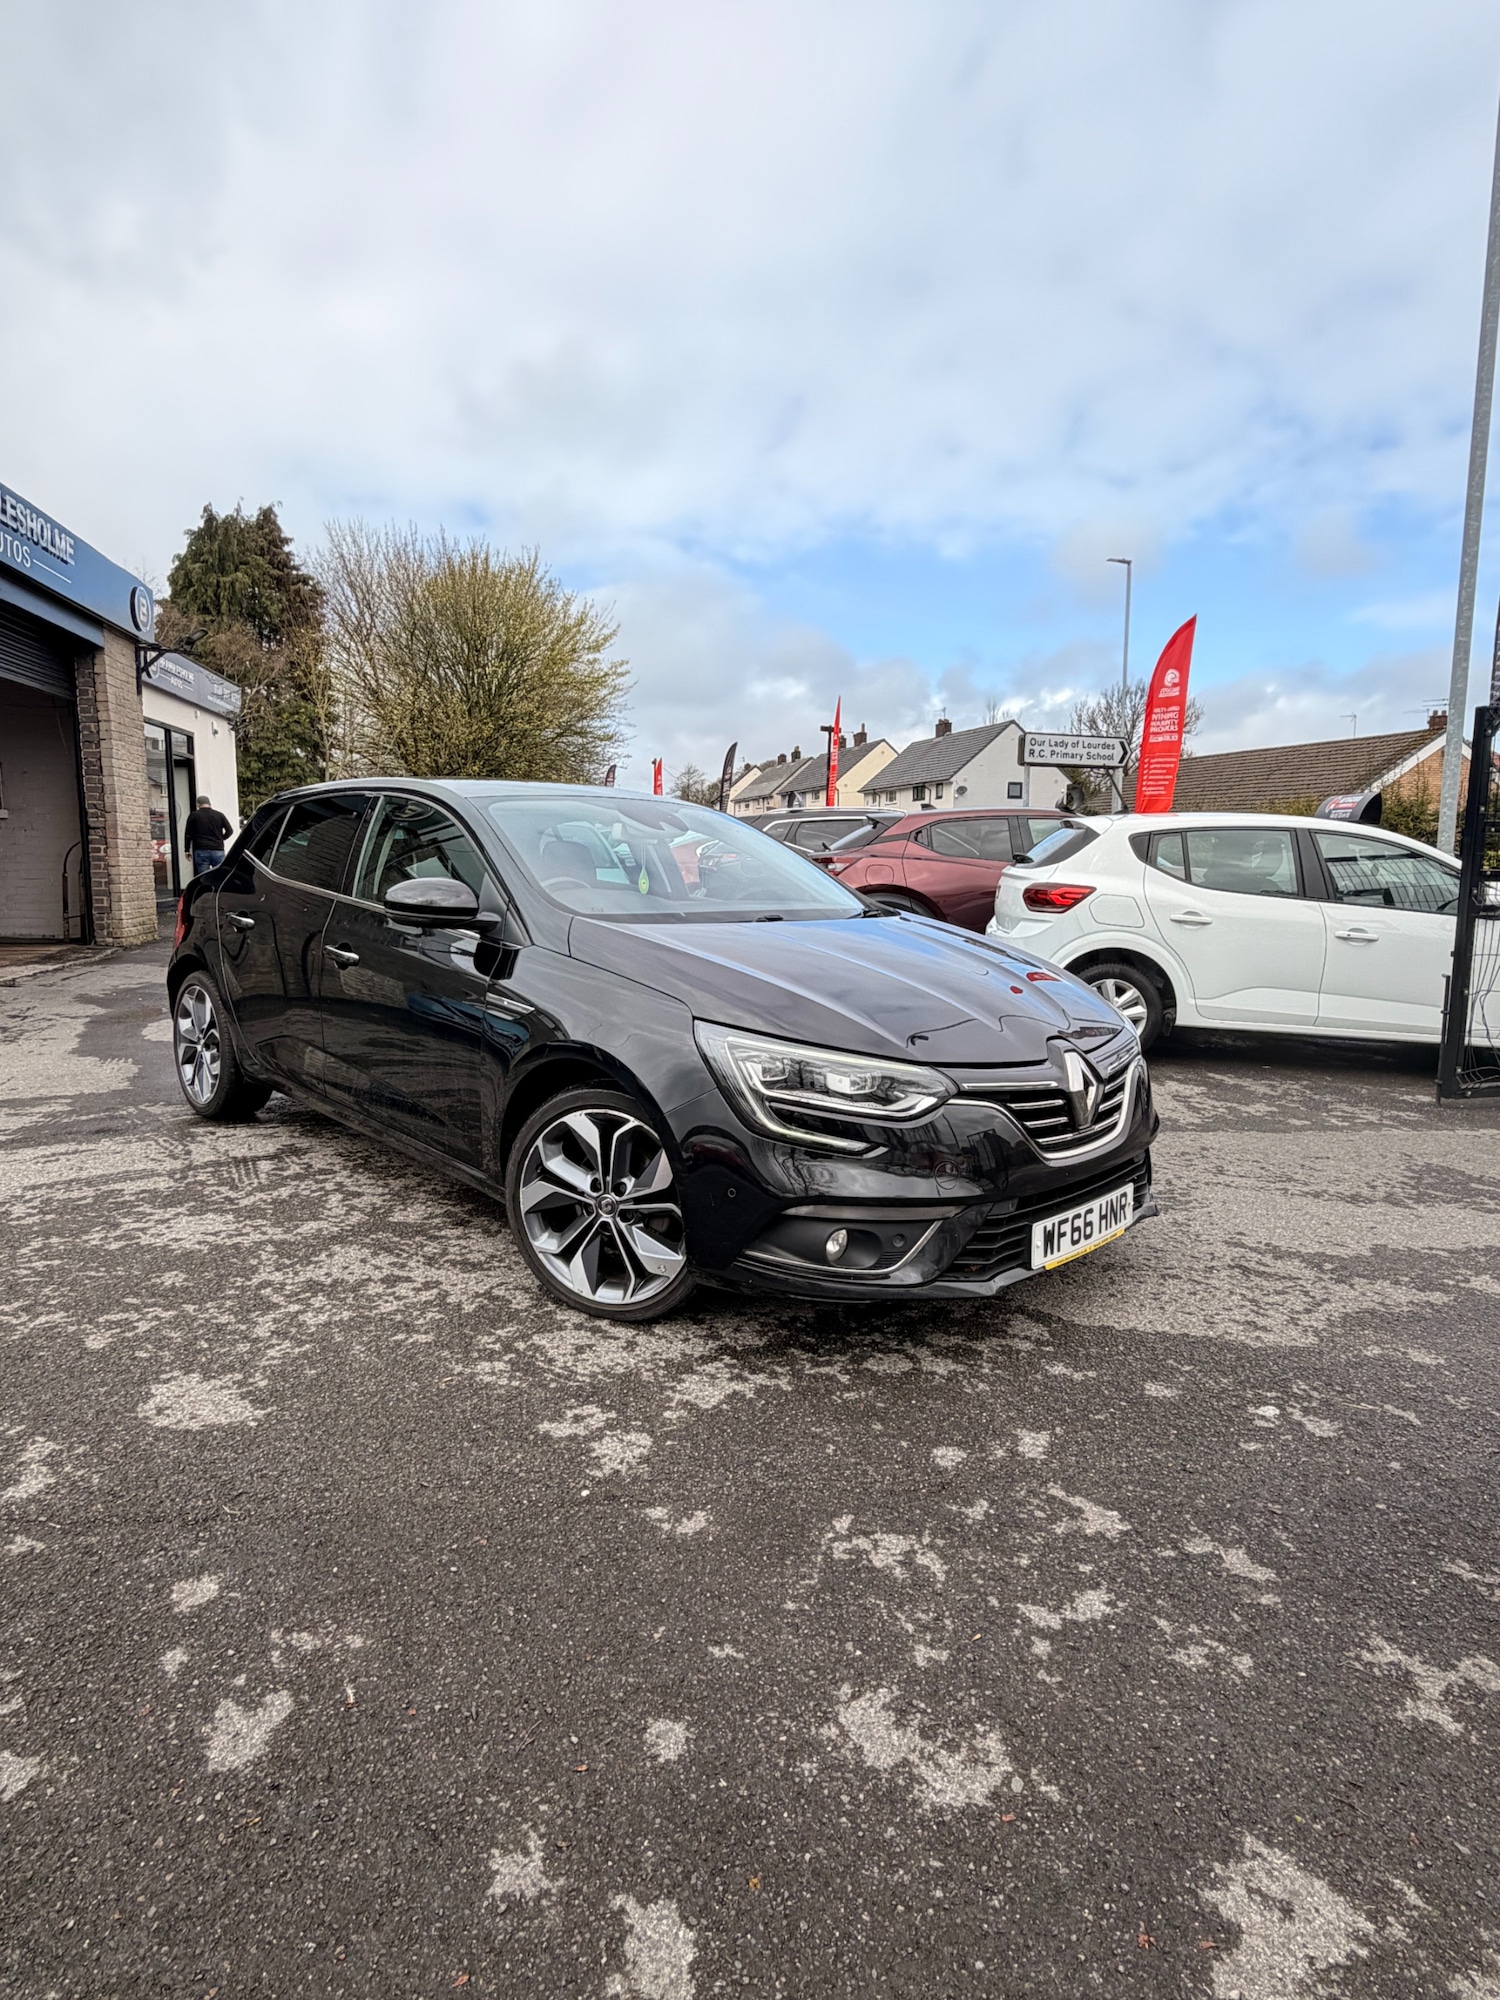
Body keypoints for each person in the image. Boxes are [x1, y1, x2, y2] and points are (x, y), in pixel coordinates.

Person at [184, 796, 234, 876]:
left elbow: (188, 834)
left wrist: (187, 849)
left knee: (204, 877)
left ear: (198, 804)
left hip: (201, 850)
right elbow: (230, 831)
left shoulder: (194, 816)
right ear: (210, 804)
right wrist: (221, 839)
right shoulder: (219, 815)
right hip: (218, 850)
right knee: (220, 876)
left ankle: (206, 889)